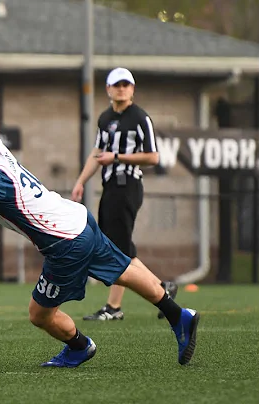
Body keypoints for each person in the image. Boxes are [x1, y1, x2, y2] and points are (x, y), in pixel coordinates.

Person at [0, 89, 200, 368]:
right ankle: (178, 315)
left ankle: (80, 347)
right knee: (122, 269)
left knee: (39, 315)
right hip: (78, 219)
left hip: (64, 243)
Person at [71, 67, 178, 321]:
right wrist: (81, 181)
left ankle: (114, 307)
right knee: (119, 248)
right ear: (108, 89)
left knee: (117, 250)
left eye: (126, 84)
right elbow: (97, 153)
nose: (122, 88)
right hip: (110, 188)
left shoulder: (140, 118)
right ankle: (163, 289)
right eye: (117, 84)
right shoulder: (105, 118)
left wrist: (118, 157)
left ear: (132, 89)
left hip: (128, 186)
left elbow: (153, 157)